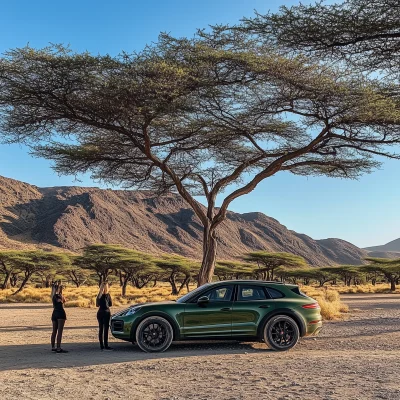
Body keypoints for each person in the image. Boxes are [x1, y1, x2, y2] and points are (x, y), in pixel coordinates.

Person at [51, 282, 68, 353]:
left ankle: (53, 347)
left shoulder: (53, 296)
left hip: (54, 313)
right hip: (60, 313)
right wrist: (61, 292)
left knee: (54, 331)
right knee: (59, 331)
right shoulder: (60, 296)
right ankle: (58, 347)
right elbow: (64, 301)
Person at [96, 282, 113, 350]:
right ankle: (106, 345)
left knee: (101, 329)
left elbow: (97, 305)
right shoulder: (108, 295)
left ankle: (101, 345)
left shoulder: (99, 296)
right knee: (106, 329)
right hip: (106, 312)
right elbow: (110, 304)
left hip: (100, 312)